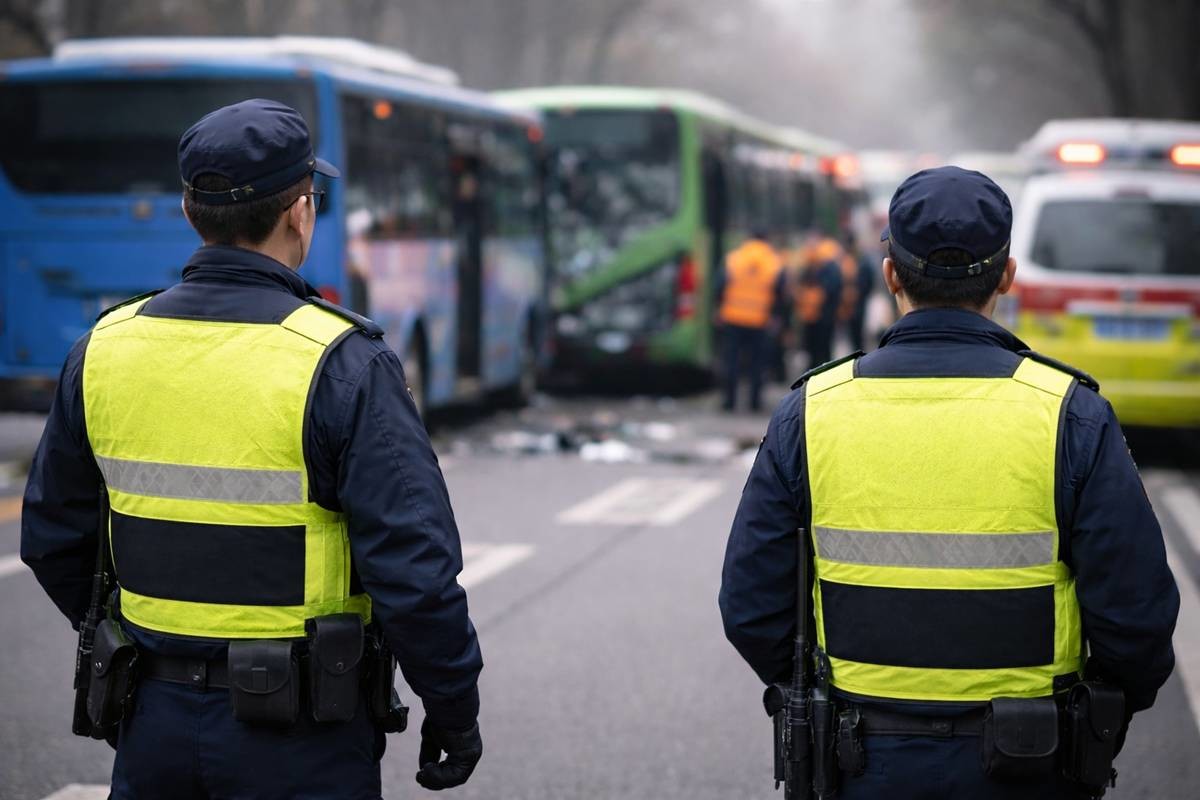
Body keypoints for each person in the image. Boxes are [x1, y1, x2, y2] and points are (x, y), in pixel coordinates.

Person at [21, 99, 483, 799]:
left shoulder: (102, 350)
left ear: (188, 211)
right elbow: (413, 568)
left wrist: (135, 651)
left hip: (150, 724)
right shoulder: (342, 362)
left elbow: (53, 539)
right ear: (301, 213)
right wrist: (453, 708)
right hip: (304, 740)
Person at [719, 166, 1179, 799]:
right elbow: (1136, 617)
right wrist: (1094, 717)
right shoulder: (1070, 412)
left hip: (858, 758)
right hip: (1032, 761)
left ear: (890, 277)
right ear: (1008, 278)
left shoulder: (813, 408)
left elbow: (750, 608)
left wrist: (830, 692)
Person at [717, 227, 786, 412]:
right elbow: (780, 293)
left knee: (731, 361)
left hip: (733, 317)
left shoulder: (733, 258)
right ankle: (754, 403)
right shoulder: (774, 262)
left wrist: (719, 310)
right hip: (760, 320)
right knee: (757, 363)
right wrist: (776, 316)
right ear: (766, 240)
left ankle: (729, 402)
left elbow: (720, 286)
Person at [795, 234, 843, 368]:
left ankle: (822, 369)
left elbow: (831, 290)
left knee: (822, 348)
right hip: (812, 315)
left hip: (822, 315)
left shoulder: (827, 266)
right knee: (814, 348)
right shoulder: (811, 266)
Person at [842, 231, 876, 351]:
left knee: (858, 333)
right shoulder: (846, 260)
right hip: (848, 304)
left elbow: (869, 281)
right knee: (852, 334)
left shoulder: (861, 260)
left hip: (858, 302)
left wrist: (859, 292)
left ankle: (859, 354)